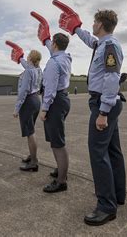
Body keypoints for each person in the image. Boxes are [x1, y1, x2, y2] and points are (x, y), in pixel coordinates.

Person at [54, 0, 125, 226]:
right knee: (113, 150)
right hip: (107, 103)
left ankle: (106, 206)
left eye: (94, 22)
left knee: (97, 153)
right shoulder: (102, 44)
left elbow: (112, 77)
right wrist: (75, 29)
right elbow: (90, 41)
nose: (92, 25)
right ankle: (117, 195)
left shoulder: (110, 46)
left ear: (101, 24)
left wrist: (103, 112)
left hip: (104, 104)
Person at [31, 11, 72, 193]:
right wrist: (46, 38)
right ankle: (60, 170)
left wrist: (44, 109)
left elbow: (50, 89)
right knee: (58, 139)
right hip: (64, 99)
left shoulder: (54, 63)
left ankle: (61, 181)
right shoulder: (64, 57)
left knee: (57, 143)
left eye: (51, 43)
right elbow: (52, 50)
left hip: (55, 102)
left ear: (55, 44)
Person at [5, 41, 43, 172]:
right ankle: (32, 156)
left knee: (29, 133)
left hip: (28, 102)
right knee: (31, 130)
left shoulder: (28, 72)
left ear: (30, 59)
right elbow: (27, 65)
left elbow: (23, 92)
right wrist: (20, 57)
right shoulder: (38, 70)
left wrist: (16, 109)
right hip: (36, 100)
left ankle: (34, 162)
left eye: (27, 57)